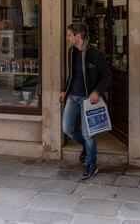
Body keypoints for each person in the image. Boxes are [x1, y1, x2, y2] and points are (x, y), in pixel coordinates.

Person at [59, 23, 111, 180]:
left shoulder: (96, 54)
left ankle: (91, 164)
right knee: (67, 128)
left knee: (88, 134)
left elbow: (107, 75)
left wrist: (97, 92)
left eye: (69, 35)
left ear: (78, 36)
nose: (67, 38)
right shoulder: (71, 52)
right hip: (72, 96)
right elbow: (72, 75)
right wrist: (64, 90)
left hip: (88, 99)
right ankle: (87, 149)